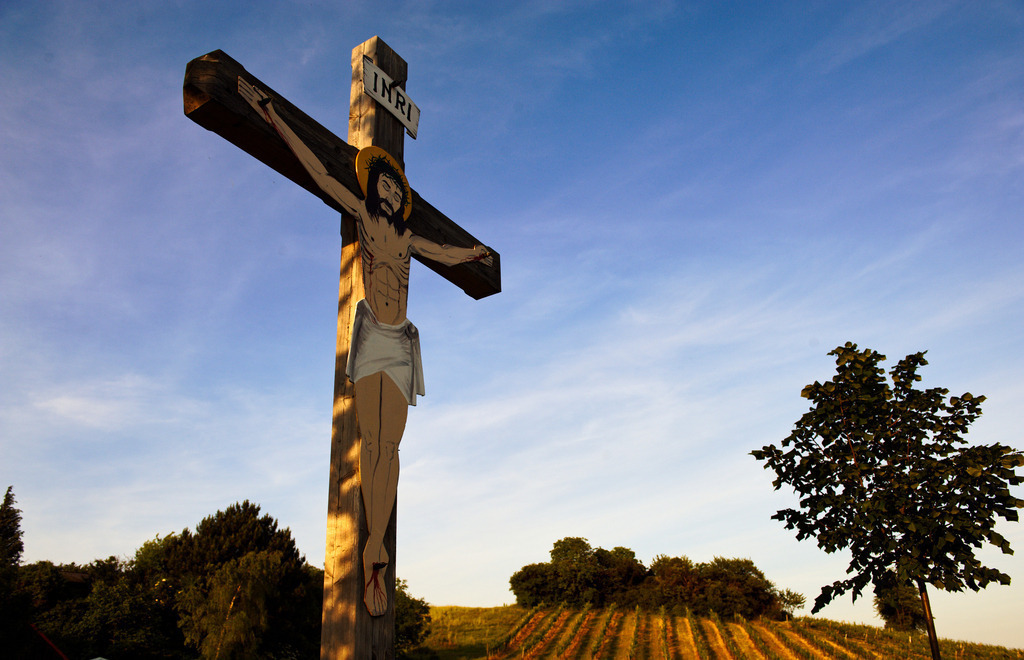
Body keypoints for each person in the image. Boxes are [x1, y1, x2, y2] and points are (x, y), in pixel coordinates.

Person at [239, 78, 492, 616]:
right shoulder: (361, 214)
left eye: (399, 191)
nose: (393, 196)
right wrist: (273, 117)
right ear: (373, 188)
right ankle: (370, 549)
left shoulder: (408, 238)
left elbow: (443, 253)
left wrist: (473, 254)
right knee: (371, 443)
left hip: (402, 342)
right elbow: (319, 172)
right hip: (373, 331)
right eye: (386, 187)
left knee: (391, 448)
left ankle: (376, 544)